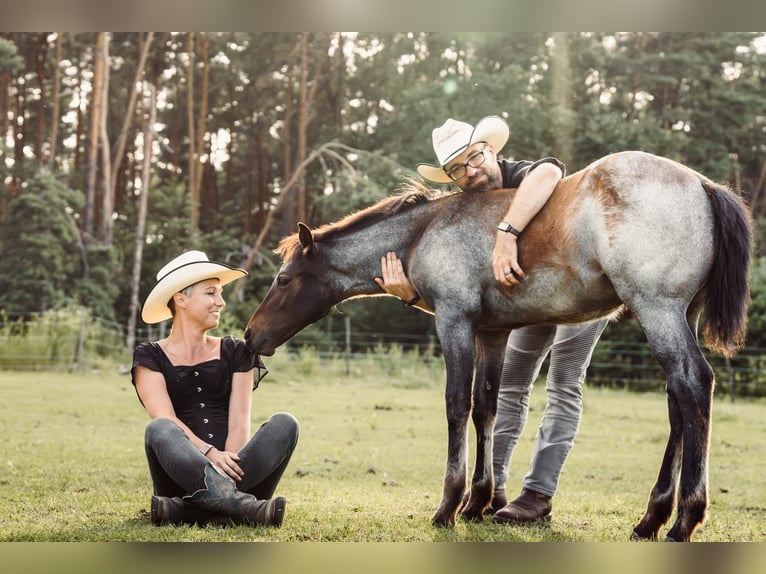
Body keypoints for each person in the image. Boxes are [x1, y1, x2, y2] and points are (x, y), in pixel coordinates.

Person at [376, 116, 608, 524]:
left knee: (564, 385)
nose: (470, 172)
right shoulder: (469, 209)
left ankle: (537, 495)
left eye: (474, 158)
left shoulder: (519, 174)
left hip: (577, 287)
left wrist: (507, 233)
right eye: (456, 170)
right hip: (526, 303)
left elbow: (551, 169)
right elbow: (465, 307)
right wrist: (412, 296)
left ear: (490, 150)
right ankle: (493, 486)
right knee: (509, 387)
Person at [131, 250, 300, 527]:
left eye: (220, 294)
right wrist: (210, 453)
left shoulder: (237, 351)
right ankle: (243, 508)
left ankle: (184, 510)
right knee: (159, 428)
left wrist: (227, 470)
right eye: (211, 293)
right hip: (179, 477)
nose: (220, 302)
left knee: (286, 423)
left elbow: (238, 424)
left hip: (239, 471)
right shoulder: (149, 355)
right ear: (181, 299)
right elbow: (166, 418)